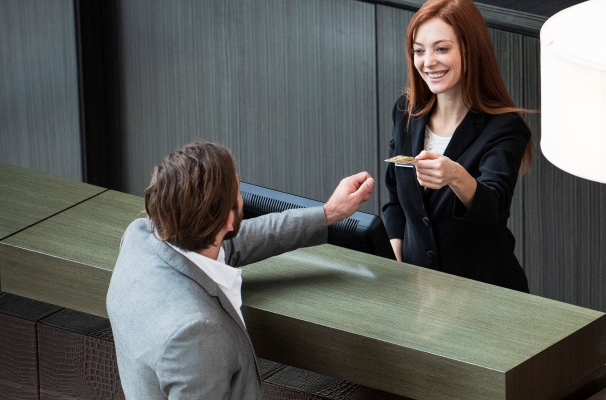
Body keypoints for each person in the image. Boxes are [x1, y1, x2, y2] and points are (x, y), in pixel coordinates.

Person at [106, 141, 374, 399]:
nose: (241, 193)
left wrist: (328, 213)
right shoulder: (196, 334)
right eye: (238, 188)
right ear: (228, 221)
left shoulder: (139, 239)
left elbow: (237, 242)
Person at [382, 0, 533, 292]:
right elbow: (396, 199)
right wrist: (395, 256)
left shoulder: (504, 128)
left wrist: (455, 175)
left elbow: (493, 206)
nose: (428, 62)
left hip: (485, 294)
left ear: (470, 50)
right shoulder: (405, 112)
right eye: (419, 50)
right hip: (418, 293)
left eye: (442, 49)